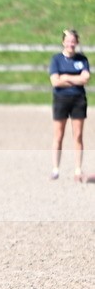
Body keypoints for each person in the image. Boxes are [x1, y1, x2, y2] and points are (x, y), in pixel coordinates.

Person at [49, 29, 90, 182]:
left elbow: (85, 78)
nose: (70, 44)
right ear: (63, 42)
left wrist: (65, 77)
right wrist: (75, 78)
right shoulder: (56, 60)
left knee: (78, 135)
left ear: (77, 42)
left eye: (73, 41)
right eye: (68, 41)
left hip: (78, 99)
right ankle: (55, 169)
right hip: (61, 100)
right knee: (58, 135)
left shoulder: (82, 59)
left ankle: (78, 169)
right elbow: (55, 81)